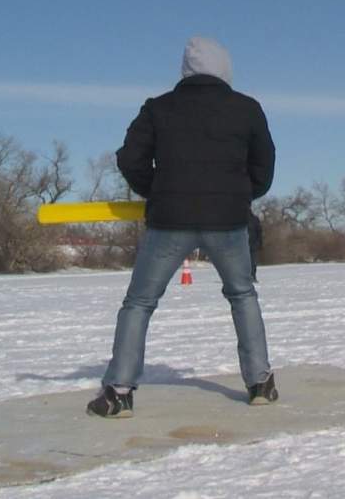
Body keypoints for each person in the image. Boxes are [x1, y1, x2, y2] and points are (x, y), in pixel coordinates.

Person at [87, 37, 278, 418]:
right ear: (224, 69)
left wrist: (158, 190)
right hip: (228, 221)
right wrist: (239, 195)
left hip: (169, 220)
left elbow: (129, 159)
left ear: (185, 70)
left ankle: (119, 392)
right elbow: (264, 166)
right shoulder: (247, 108)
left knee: (139, 303)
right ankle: (260, 383)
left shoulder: (158, 108)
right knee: (242, 295)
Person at [248, 211, 263, 283]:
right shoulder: (239, 219)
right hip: (243, 245)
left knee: (253, 262)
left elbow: (259, 232)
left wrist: (259, 243)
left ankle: (253, 276)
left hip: (253, 244)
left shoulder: (254, 219)